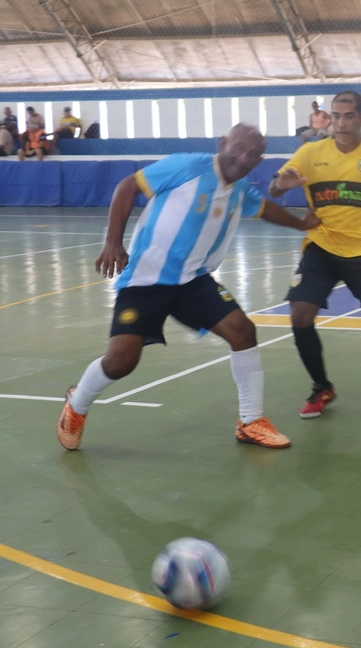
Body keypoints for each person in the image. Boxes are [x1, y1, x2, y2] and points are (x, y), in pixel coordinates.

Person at [56, 124, 318, 452]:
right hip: (145, 280)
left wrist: (302, 223)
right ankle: (76, 405)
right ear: (223, 143)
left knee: (242, 331)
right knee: (121, 361)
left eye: (253, 154)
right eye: (238, 148)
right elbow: (127, 186)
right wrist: (113, 241)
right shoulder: (188, 166)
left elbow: (267, 209)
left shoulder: (239, 190)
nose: (243, 158)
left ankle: (250, 421)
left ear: (259, 159)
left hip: (193, 281)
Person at [268, 91, 361, 418]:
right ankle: (322, 386)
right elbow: (275, 188)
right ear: (330, 118)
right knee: (299, 314)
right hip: (320, 245)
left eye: (349, 116)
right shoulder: (309, 152)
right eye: (337, 116)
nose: (342, 122)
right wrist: (283, 183)